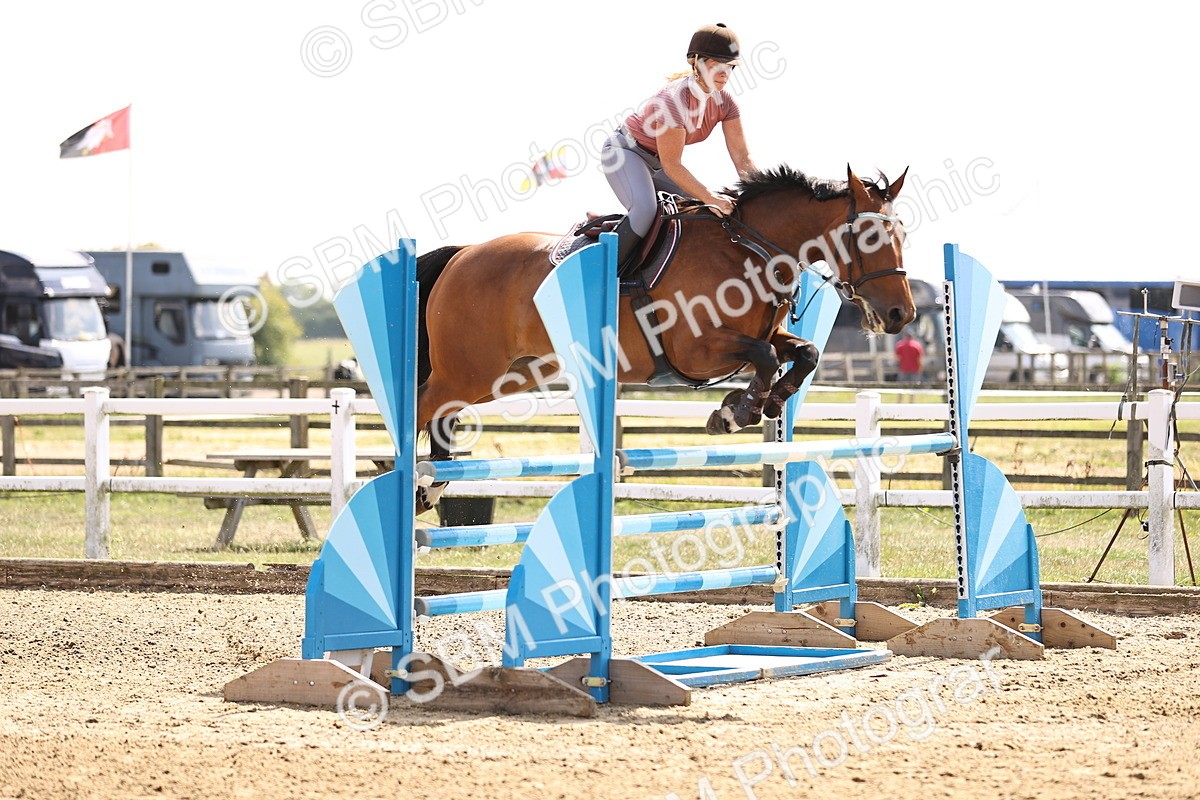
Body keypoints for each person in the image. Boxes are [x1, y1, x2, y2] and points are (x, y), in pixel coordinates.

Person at [600, 22, 757, 276]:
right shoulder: (673, 101)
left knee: (699, 210)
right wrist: (712, 197)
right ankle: (601, 276)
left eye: (730, 67)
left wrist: (759, 193)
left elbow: (742, 157)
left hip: (657, 164)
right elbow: (673, 165)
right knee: (645, 211)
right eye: (717, 65)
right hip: (623, 153)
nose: (724, 73)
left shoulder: (726, 104)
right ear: (697, 63)